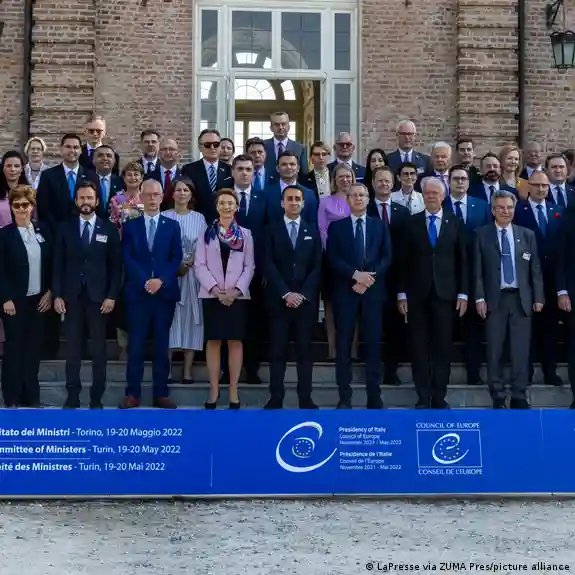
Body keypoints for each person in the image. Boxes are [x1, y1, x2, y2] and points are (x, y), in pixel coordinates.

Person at [397, 177, 468, 409]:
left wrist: (463, 294)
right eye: (427, 193)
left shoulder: (455, 222)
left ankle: (439, 396)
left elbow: (462, 261)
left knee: (442, 348)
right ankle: (422, 395)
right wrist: (401, 294)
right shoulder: (411, 223)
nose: (431, 197)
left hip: (446, 296)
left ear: (443, 196)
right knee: (418, 348)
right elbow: (402, 261)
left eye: (435, 193)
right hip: (416, 295)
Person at [53, 181, 122, 409]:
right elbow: (57, 264)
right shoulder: (64, 228)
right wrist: (57, 295)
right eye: (82, 198)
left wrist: (112, 295)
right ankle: (72, 395)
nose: (85, 202)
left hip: (99, 299)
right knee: (73, 350)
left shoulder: (108, 229)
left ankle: (96, 397)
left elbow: (116, 267)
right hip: (72, 298)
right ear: (76, 201)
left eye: (89, 198)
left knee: (98, 350)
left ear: (97, 201)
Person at [475, 190, 544, 409]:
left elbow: (535, 269)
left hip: (521, 300)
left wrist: (538, 297)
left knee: (520, 350)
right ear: (493, 210)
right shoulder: (481, 235)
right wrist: (479, 298)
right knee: (494, 349)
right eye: (501, 207)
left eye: (509, 207)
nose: (505, 211)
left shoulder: (527, 235)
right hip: (494, 300)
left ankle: (518, 394)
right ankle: (497, 393)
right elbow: (476, 271)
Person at [327, 183, 392, 409]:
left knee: (373, 345)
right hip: (346, 292)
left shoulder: (379, 226)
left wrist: (368, 279)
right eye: (353, 195)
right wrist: (355, 275)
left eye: (362, 195)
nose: (358, 198)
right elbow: (332, 258)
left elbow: (387, 256)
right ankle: (344, 397)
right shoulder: (337, 227)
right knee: (344, 345)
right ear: (347, 200)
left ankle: (374, 396)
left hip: (372, 293)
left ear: (368, 199)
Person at [120, 179, 183, 409]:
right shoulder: (131, 225)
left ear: (162, 197)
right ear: (142, 197)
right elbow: (127, 257)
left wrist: (160, 281)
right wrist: (145, 281)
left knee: (161, 346)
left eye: (156, 195)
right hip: (138, 294)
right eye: (148, 195)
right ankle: (132, 394)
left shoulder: (172, 226)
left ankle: (161, 393)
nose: (152, 199)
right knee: (136, 345)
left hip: (163, 295)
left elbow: (176, 257)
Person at [194, 189, 255, 410]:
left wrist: (235, 291)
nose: (227, 207)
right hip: (213, 295)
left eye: (230, 203)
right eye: (222, 203)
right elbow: (199, 265)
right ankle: (213, 389)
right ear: (216, 206)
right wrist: (216, 290)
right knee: (214, 341)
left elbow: (249, 266)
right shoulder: (206, 233)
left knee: (235, 341)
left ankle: (233, 389)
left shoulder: (245, 234)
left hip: (237, 297)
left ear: (236, 207)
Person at [263, 185, 322, 409]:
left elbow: (317, 266)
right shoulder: (270, 230)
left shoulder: (312, 230)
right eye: (290, 199)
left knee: (304, 352)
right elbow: (267, 263)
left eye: (298, 199)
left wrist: (303, 294)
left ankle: (305, 398)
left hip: (305, 303)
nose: (294, 202)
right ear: (282, 203)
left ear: (303, 203)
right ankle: (276, 397)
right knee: (277, 351)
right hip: (279, 301)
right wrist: (286, 293)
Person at [0, 186, 52, 407]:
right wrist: (5, 298)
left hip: (37, 301)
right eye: (17, 205)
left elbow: (50, 264)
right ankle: (11, 397)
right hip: (14, 302)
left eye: (25, 204)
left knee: (32, 350)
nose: (21, 209)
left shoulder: (43, 231)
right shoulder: (4, 234)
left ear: (32, 206)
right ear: (12, 208)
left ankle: (31, 397)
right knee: (13, 350)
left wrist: (49, 292)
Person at [366, 166, 410, 386]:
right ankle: (372, 371)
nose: (384, 184)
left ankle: (391, 370)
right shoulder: (365, 208)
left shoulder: (403, 212)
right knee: (372, 327)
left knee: (395, 326)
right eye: (380, 180)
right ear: (373, 183)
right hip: (370, 276)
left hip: (396, 277)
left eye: (387, 181)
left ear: (393, 184)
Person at [163, 177, 207, 384]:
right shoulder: (164, 216)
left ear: (191, 195)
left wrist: (190, 262)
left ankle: (188, 371)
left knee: (191, 322)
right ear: (172, 193)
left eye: (186, 190)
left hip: (192, 276)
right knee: (170, 321)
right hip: (169, 276)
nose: (182, 194)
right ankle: (167, 369)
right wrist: (175, 265)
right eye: (178, 190)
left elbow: (205, 245)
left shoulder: (199, 218)